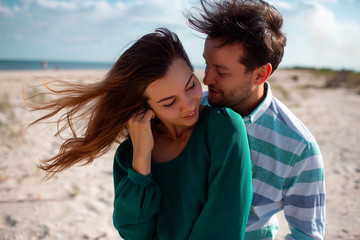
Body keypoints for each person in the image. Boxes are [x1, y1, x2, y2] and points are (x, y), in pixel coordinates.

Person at [26, 28, 253, 239]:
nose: (188, 105)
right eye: (169, 101)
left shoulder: (224, 129)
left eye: (190, 85)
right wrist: (142, 158)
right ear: (145, 107)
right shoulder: (129, 155)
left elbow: (224, 226)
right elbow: (135, 234)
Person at [186, 0, 326, 239]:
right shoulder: (190, 111)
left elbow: (307, 234)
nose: (207, 78)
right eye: (206, 64)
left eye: (221, 71)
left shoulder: (298, 147)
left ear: (261, 73)